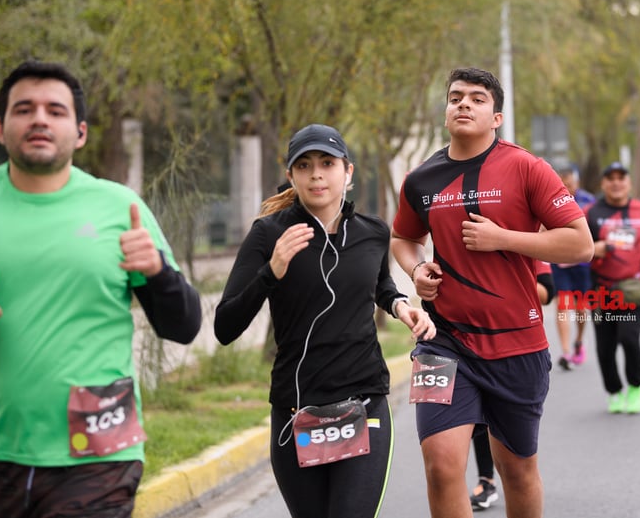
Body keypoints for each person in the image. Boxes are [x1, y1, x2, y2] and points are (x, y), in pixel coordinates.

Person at [0, 61, 203, 518]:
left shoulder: (119, 207)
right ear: (1, 128)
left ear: (79, 133)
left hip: (99, 454)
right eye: (25, 109)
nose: (39, 118)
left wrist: (157, 271)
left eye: (54, 110)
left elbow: (184, 326)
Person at [391, 67, 593, 518]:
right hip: (442, 344)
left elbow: (581, 244)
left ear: (496, 117)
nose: (464, 104)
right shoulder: (421, 179)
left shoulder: (526, 168)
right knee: (441, 468)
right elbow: (402, 239)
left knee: (516, 471)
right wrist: (417, 266)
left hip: (516, 345)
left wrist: (505, 238)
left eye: (477, 98)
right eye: (456, 97)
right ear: (445, 111)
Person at [213, 123, 435, 518]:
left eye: (327, 163)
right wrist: (272, 271)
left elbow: (378, 283)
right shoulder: (269, 235)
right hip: (297, 409)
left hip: (363, 402)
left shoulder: (372, 232)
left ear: (347, 172)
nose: (317, 173)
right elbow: (225, 327)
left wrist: (401, 305)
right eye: (305, 165)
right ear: (291, 176)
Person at [469, 261, 554, 512]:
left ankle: (518, 477)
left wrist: (502, 280)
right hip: (465, 340)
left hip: (515, 345)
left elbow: (548, 292)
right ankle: (486, 479)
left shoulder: (525, 236)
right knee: (477, 419)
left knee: (513, 449)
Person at [585, 161, 640, 414]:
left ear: (629, 182)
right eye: (611, 178)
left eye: (621, 178)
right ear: (603, 184)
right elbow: (576, 243)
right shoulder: (590, 213)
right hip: (600, 289)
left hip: (632, 288)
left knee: (629, 339)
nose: (616, 182)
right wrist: (591, 249)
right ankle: (614, 391)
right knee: (604, 347)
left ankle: (635, 388)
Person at [551, 161, 597, 370]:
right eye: (563, 182)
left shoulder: (588, 201)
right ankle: (566, 352)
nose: (567, 185)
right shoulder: (550, 199)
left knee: (580, 308)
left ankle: (578, 341)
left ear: (576, 181)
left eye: (569, 182)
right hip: (559, 262)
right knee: (562, 304)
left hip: (581, 263)